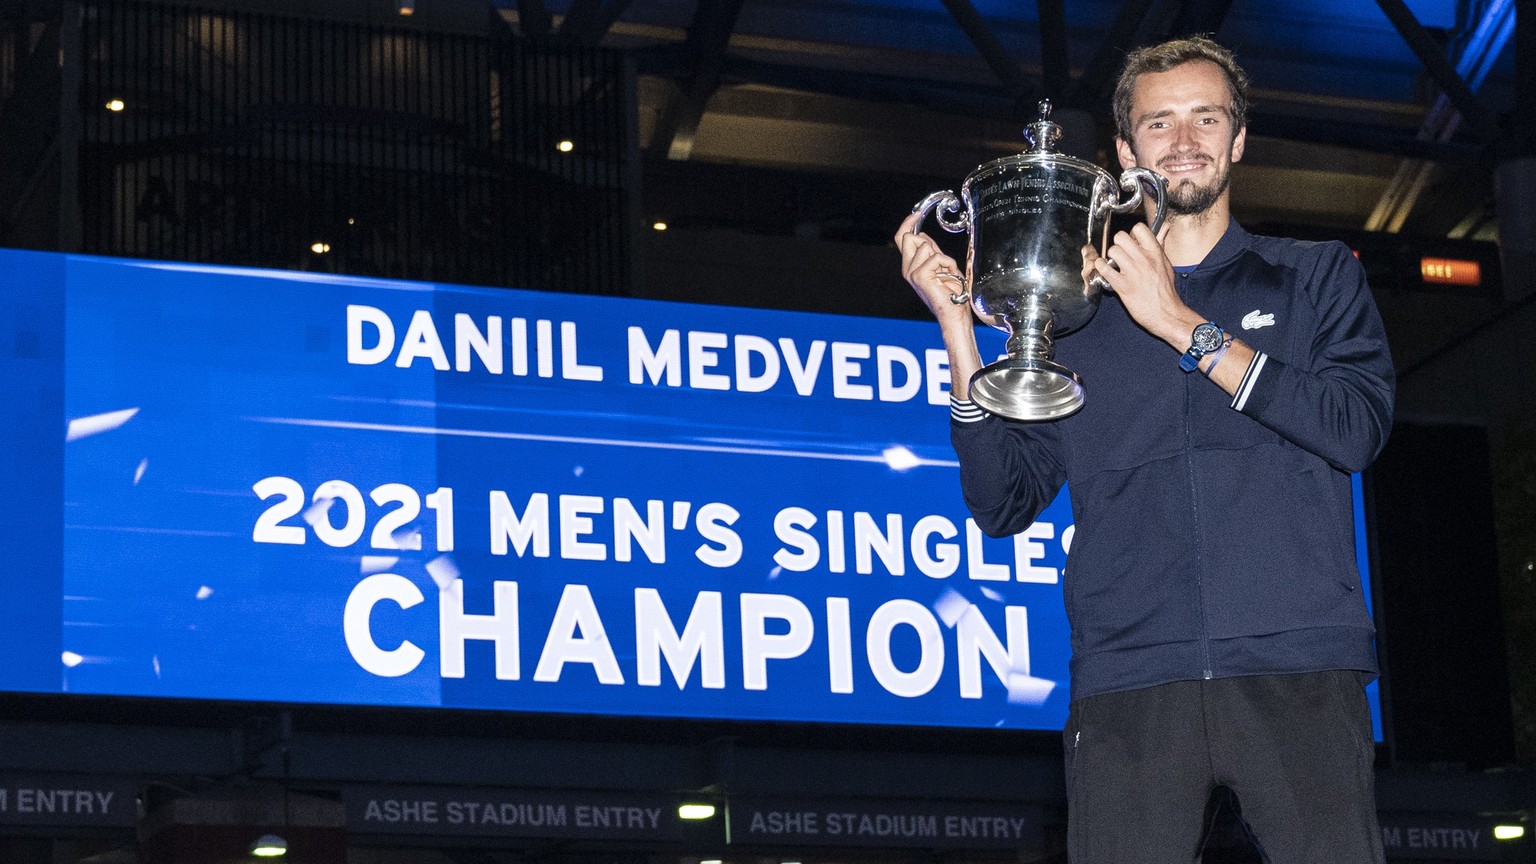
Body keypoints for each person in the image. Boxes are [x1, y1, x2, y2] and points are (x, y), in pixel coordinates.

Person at [895, 36, 1394, 863]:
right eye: (1160, 123)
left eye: (1208, 117)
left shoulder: (1313, 277)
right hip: (1130, 676)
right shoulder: (1078, 320)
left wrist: (1180, 324)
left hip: (1298, 664)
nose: (1185, 139)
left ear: (1239, 140)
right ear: (1124, 154)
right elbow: (1002, 501)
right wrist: (958, 334)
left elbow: (1354, 429)